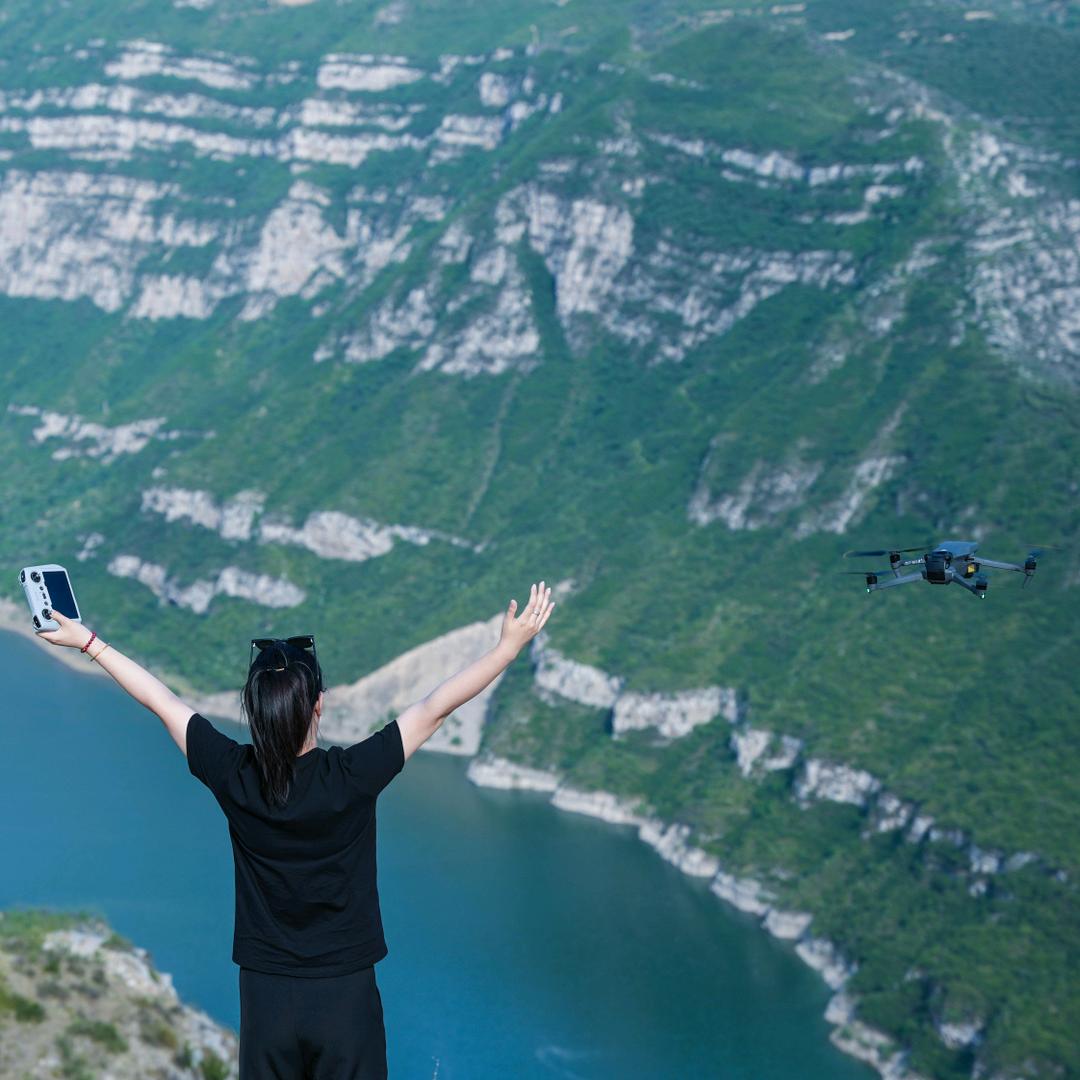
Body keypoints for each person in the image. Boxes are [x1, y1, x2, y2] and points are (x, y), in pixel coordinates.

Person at [38, 580, 556, 1079]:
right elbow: (435, 708)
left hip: (266, 996)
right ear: (318, 704)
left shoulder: (233, 774)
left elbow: (161, 701)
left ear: (254, 710)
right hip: (345, 994)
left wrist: (87, 641)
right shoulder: (352, 776)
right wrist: (507, 651)